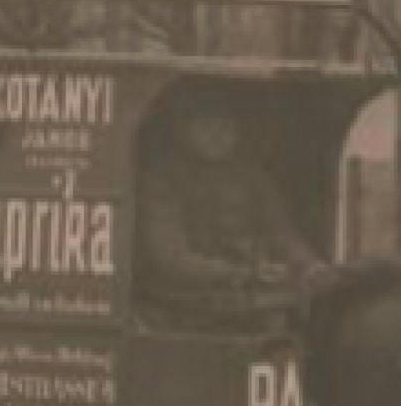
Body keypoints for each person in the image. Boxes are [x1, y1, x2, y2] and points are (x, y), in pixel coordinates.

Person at [141, 98, 328, 321]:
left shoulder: (251, 176)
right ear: (185, 132)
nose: (217, 136)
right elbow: (171, 259)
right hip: (181, 296)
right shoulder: (163, 179)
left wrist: (308, 264)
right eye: (206, 127)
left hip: (247, 289)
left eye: (226, 127)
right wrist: (245, 273)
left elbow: (281, 232)